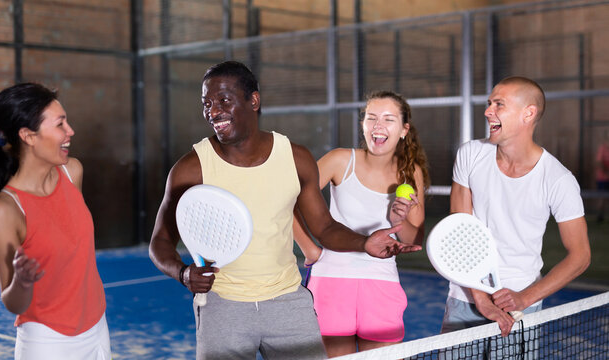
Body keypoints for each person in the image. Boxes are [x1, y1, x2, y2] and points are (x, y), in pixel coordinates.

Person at [148, 61, 419, 360]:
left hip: (287, 302)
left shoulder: (295, 158)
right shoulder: (190, 168)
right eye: (207, 104)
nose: (213, 111)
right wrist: (184, 274)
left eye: (224, 100)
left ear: (254, 100)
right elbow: (160, 243)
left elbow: (324, 228)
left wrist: (364, 243)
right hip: (223, 305)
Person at [443, 76, 591, 339]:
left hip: (520, 307)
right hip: (464, 296)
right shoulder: (470, 154)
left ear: (528, 114)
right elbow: (459, 230)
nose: (488, 111)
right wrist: (480, 297)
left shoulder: (559, 180)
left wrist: (523, 298)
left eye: (499, 104)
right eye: (489, 103)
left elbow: (580, 256)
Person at [0, 83, 110, 359]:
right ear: (28, 136)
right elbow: (13, 301)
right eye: (60, 124)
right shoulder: (4, 209)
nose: (70, 131)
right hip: (48, 343)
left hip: (97, 329)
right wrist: (22, 282)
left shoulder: (72, 172)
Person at [292, 91, 429, 357]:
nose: (378, 126)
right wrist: (309, 249)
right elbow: (288, 203)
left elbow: (413, 241)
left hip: (382, 285)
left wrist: (399, 220)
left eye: (389, 119)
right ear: (363, 125)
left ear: (403, 130)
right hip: (331, 281)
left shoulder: (411, 173)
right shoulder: (340, 160)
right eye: (372, 118)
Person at [595, 130, 609, 222]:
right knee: (602, 197)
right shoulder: (602, 148)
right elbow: (599, 162)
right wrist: (606, 172)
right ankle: (600, 216)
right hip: (602, 178)